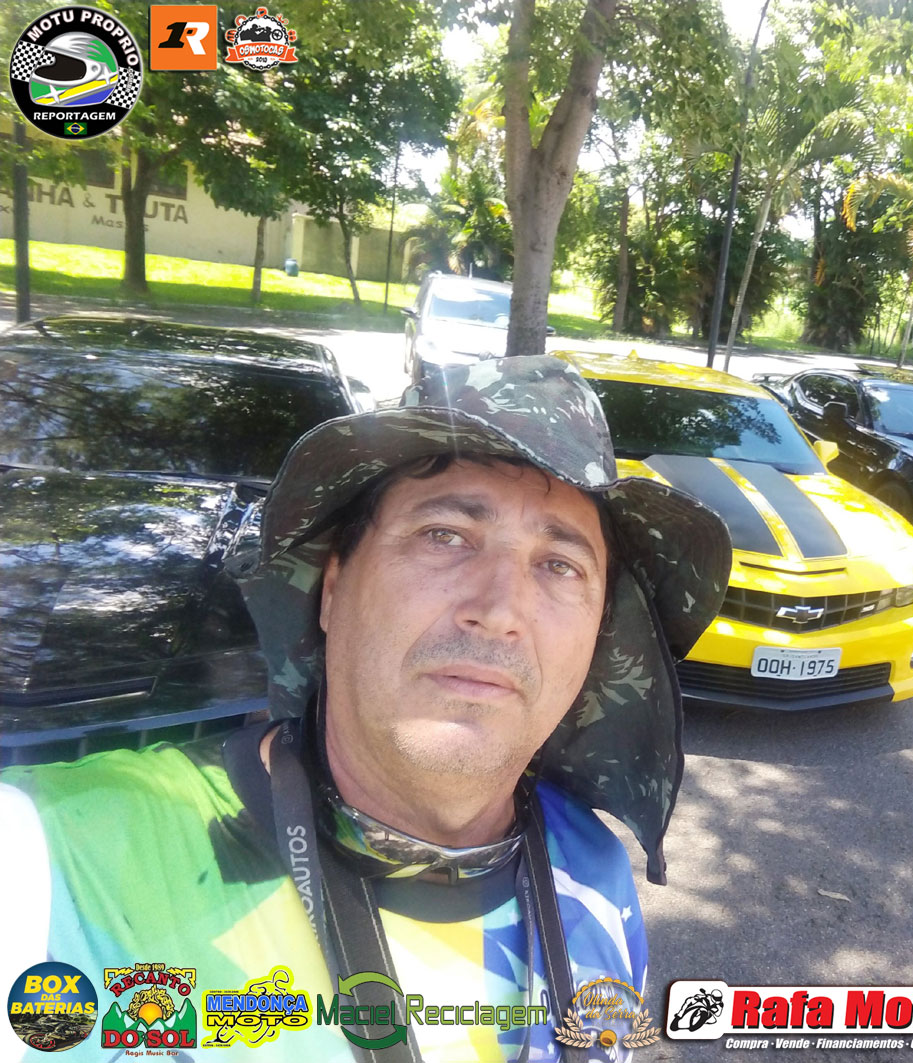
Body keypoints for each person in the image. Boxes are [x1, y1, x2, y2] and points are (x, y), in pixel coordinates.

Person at [0, 357, 732, 1062]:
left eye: (559, 565)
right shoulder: (58, 857)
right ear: (332, 587)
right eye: (445, 535)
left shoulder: (597, 871)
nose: (500, 609)